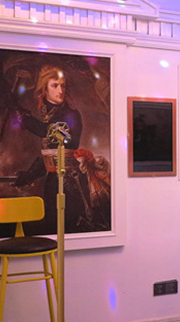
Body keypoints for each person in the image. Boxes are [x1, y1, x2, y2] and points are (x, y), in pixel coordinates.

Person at [12, 64, 109, 234]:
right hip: (54, 180)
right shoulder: (49, 113)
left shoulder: (70, 114)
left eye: (63, 86)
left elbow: (49, 132)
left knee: (70, 227)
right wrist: (29, 175)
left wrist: (22, 116)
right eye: (55, 85)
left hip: (70, 182)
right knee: (53, 227)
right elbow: (50, 154)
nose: (60, 90)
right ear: (45, 89)